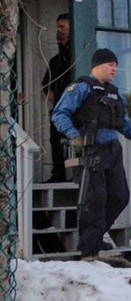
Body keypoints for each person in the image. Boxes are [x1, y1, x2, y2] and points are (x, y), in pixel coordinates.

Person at [52, 48, 131, 259]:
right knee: (95, 199)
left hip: (113, 151)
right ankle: (89, 251)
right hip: (91, 151)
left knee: (120, 196)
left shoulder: (115, 93)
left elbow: (124, 125)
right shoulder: (82, 87)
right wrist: (74, 136)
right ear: (97, 66)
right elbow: (59, 113)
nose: (114, 69)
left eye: (116, 65)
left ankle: (96, 236)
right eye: (110, 64)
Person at [41, 13, 73, 182]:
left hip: (78, 107)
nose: (59, 31)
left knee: (76, 141)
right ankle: (58, 174)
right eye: (58, 28)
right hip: (61, 108)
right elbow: (46, 83)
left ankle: (76, 174)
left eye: (62, 27)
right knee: (55, 138)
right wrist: (51, 93)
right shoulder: (56, 61)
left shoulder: (76, 55)